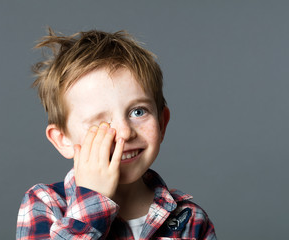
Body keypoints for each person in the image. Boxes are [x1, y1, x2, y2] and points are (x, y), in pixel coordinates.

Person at [16, 28, 217, 240]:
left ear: (162, 123)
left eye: (138, 112)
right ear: (62, 139)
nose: (124, 132)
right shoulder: (44, 204)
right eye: (101, 121)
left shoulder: (191, 219)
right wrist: (93, 201)